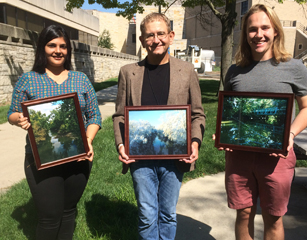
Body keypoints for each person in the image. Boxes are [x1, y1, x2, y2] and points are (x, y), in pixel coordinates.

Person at [212, 4, 307, 240]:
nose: (259, 34)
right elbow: (230, 111)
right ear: (245, 34)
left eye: (265, 28)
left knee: (274, 217)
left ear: (275, 31)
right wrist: (224, 132)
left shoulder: (295, 67)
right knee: (244, 214)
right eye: (252, 29)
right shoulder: (234, 71)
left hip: (277, 157)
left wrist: (289, 134)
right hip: (239, 156)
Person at [113, 12, 206, 240]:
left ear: (171, 36)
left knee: (167, 214)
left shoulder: (186, 71)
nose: (156, 40)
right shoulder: (128, 73)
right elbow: (119, 116)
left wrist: (194, 143)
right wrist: (121, 145)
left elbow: (197, 114)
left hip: (175, 157)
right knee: (146, 213)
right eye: (150, 35)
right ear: (143, 40)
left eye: (161, 34)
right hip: (140, 157)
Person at [7, 25, 101, 240]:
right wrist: (19, 119)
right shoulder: (28, 79)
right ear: (42, 47)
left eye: (63, 46)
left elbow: (94, 116)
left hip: (78, 157)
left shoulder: (81, 79)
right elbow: (12, 112)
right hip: (41, 157)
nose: (58, 50)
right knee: (49, 217)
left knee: (68, 213)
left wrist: (87, 140)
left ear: (68, 50)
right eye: (52, 45)